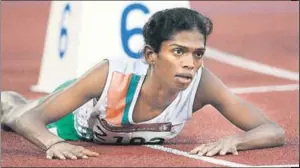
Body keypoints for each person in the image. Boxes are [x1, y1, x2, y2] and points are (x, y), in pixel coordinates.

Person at [1, 7, 285, 160]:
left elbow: (272, 131)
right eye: (178, 51)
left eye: (198, 53)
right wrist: (53, 143)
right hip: (72, 117)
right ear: (151, 55)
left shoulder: (201, 82)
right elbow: (30, 120)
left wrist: (236, 139)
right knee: (14, 114)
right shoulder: (111, 74)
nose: (190, 63)